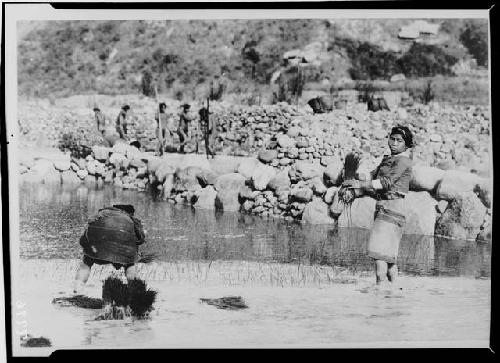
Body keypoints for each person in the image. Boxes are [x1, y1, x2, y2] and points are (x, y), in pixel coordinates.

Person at [342, 126, 413, 290]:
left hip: (392, 208)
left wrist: (358, 184)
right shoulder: (388, 159)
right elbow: (372, 177)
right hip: (386, 207)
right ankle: (394, 293)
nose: (394, 143)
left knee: (379, 254)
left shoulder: (403, 161)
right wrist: (354, 179)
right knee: (388, 258)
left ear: (407, 145)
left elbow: (385, 183)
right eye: (392, 139)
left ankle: (380, 294)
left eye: (399, 141)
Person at [73, 204, 145, 294]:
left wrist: (88, 250)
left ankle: (78, 289)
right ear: (130, 213)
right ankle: (134, 291)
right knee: (129, 266)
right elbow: (141, 239)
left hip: (98, 247)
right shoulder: (132, 220)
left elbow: (84, 237)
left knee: (86, 264)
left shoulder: (100, 214)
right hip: (124, 250)